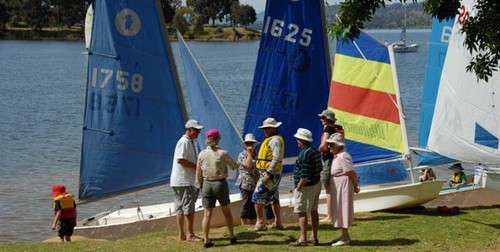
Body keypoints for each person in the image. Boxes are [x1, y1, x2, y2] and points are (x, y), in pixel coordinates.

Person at [196, 129, 239, 248]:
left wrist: (200, 185)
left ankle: (206, 240)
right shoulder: (223, 153)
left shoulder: (201, 154)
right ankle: (232, 236)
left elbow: (198, 173)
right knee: (226, 212)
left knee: (207, 215)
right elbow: (234, 166)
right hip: (220, 184)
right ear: (218, 139)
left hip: (206, 184)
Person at [170, 119, 204, 242]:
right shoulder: (184, 142)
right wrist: (197, 167)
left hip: (177, 180)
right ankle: (190, 234)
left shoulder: (186, 141)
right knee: (188, 208)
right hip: (184, 181)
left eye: (199, 131)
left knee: (180, 208)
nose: (198, 133)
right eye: (196, 130)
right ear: (189, 129)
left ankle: (182, 235)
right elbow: (181, 160)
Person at [289, 128, 322, 246]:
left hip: (306, 187)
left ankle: (303, 239)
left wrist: (297, 189)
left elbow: (305, 176)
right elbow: (320, 168)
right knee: (314, 211)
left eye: (298, 139)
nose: (297, 141)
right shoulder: (314, 151)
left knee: (302, 212)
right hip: (317, 183)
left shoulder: (304, 154)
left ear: (302, 140)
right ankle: (314, 237)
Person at [327, 133, 360, 247]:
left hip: (343, 185)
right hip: (338, 185)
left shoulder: (343, 156)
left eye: (331, 145)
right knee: (339, 209)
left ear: (337, 145)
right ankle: (344, 234)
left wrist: (356, 186)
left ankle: (345, 236)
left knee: (343, 208)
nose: (329, 147)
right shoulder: (338, 155)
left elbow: (351, 172)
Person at [252, 117, 285, 231]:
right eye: (264, 129)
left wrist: (268, 172)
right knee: (274, 198)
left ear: (273, 128)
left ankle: (260, 223)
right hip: (272, 173)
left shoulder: (275, 140)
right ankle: (278, 222)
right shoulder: (274, 139)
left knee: (257, 196)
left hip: (270, 174)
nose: (264, 131)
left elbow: (276, 158)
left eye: (267, 128)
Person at [317, 109, 344, 223]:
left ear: (327, 119)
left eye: (322, 118)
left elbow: (323, 146)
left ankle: (330, 216)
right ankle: (335, 214)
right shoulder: (338, 128)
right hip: (335, 159)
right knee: (333, 188)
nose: (321, 120)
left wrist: (315, 152)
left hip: (327, 160)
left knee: (328, 189)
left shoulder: (328, 129)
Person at [235, 133, 260, 225]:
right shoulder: (242, 155)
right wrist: (249, 153)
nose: (250, 145)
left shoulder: (257, 154)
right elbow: (248, 166)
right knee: (246, 203)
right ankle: (244, 223)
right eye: (248, 143)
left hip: (255, 183)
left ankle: (253, 223)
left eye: (251, 143)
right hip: (245, 183)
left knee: (253, 204)